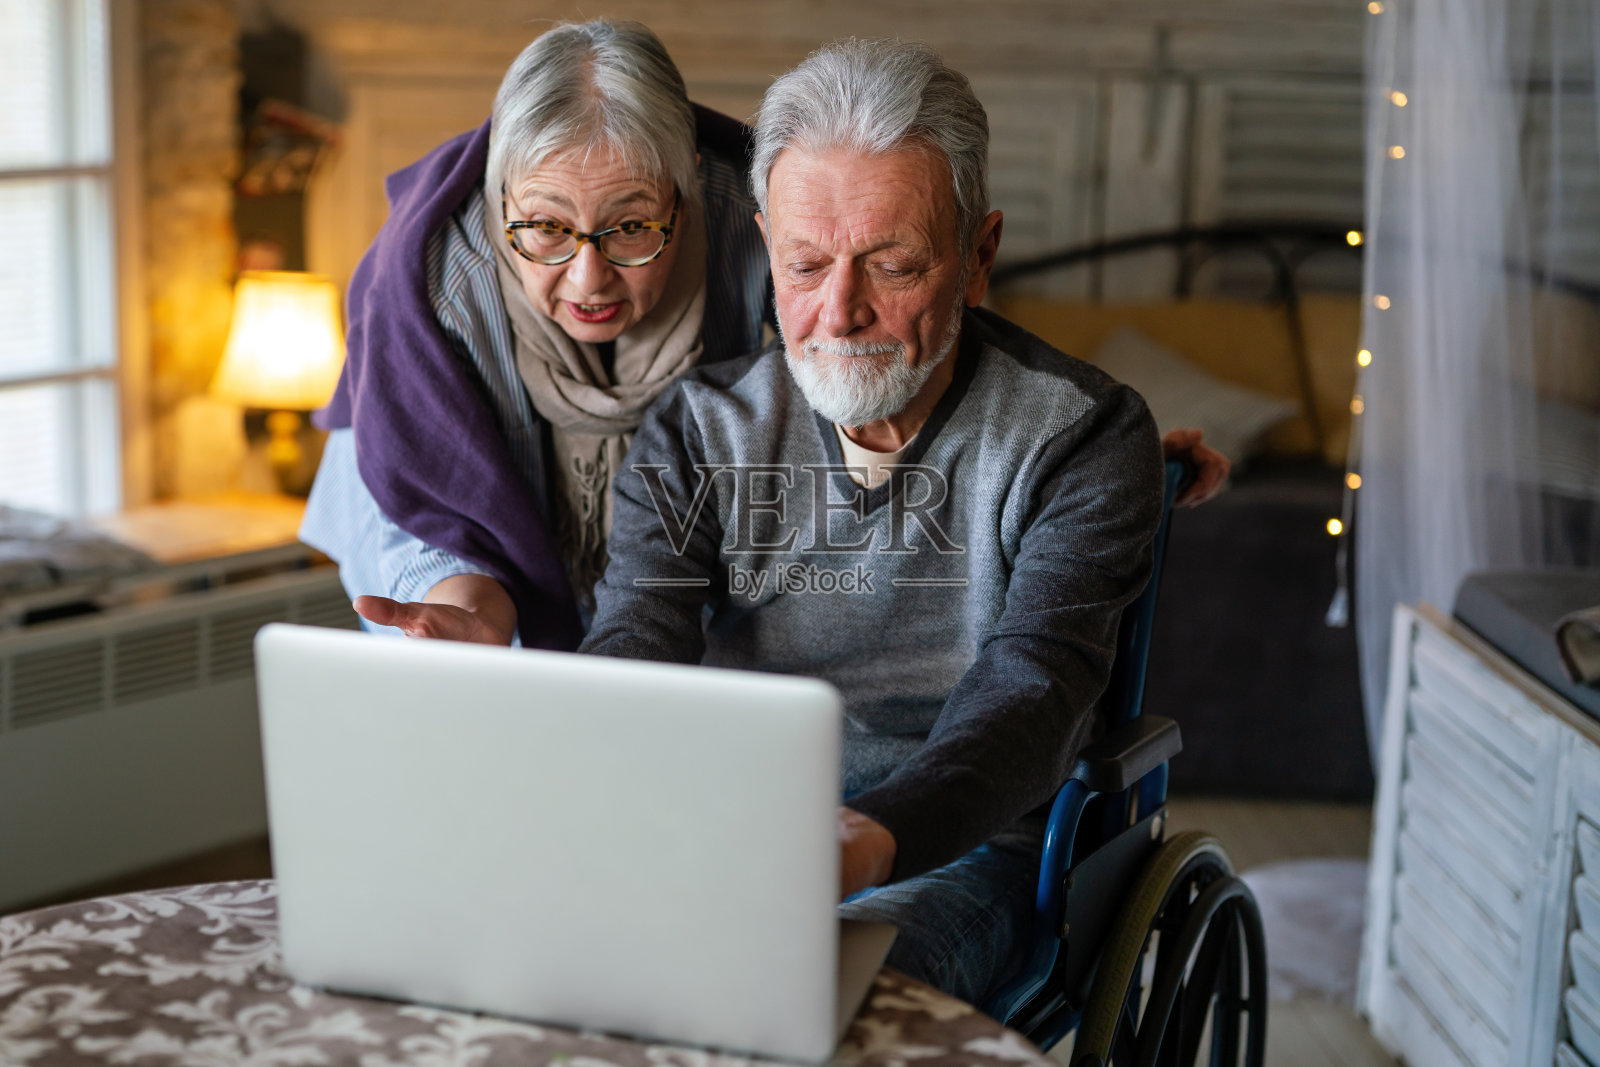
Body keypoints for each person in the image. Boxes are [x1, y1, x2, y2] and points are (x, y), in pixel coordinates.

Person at [301, 20, 1228, 656]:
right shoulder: (430, 277)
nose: (586, 279)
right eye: (541, 230)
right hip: (459, 541)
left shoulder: (757, 230)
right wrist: (466, 610)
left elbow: (897, 324)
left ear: (688, 192)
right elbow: (425, 485)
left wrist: (1106, 443)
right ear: (502, 205)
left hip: (681, 552)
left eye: (631, 228)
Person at [578, 37, 1169, 1007]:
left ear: (979, 254)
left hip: (959, 845)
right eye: (804, 264)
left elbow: (1035, 683)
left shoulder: (1083, 434)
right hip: (725, 827)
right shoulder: (698, 429)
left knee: (806, 998)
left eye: (890, 263)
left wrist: (874, 831)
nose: (837, 310)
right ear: (766, 240)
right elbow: (638, 631)